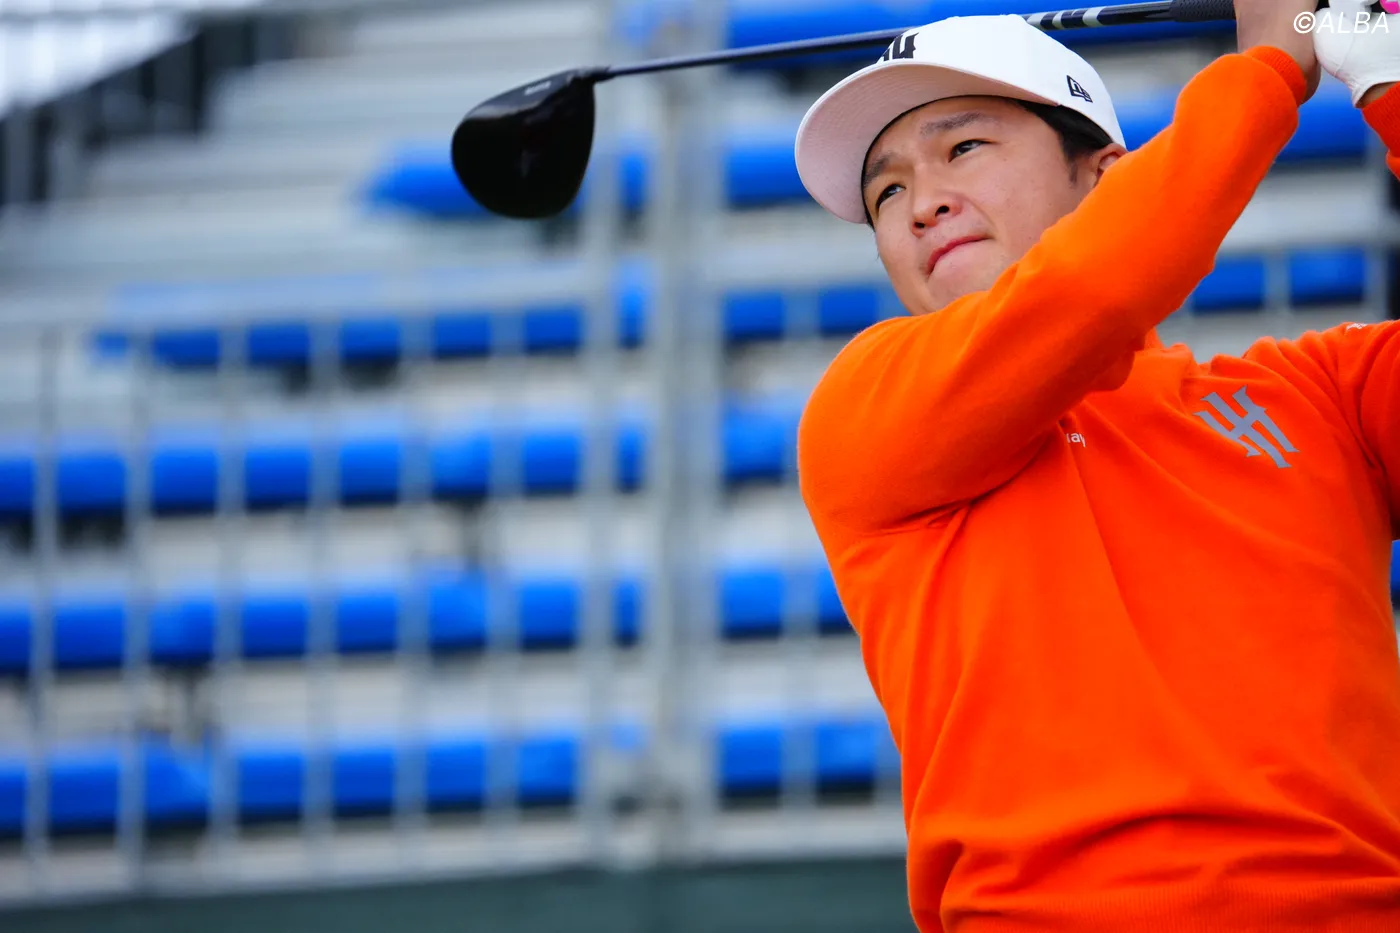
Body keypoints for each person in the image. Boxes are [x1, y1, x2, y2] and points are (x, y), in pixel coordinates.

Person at [791, 1, 1400, 930]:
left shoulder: (1322, 396)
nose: (921, 204)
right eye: (886, 192)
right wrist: (1268, 71)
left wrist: (1391, 89)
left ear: (1104, 175)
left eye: (963, 148)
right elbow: (1094, 288)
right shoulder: (866, 403)